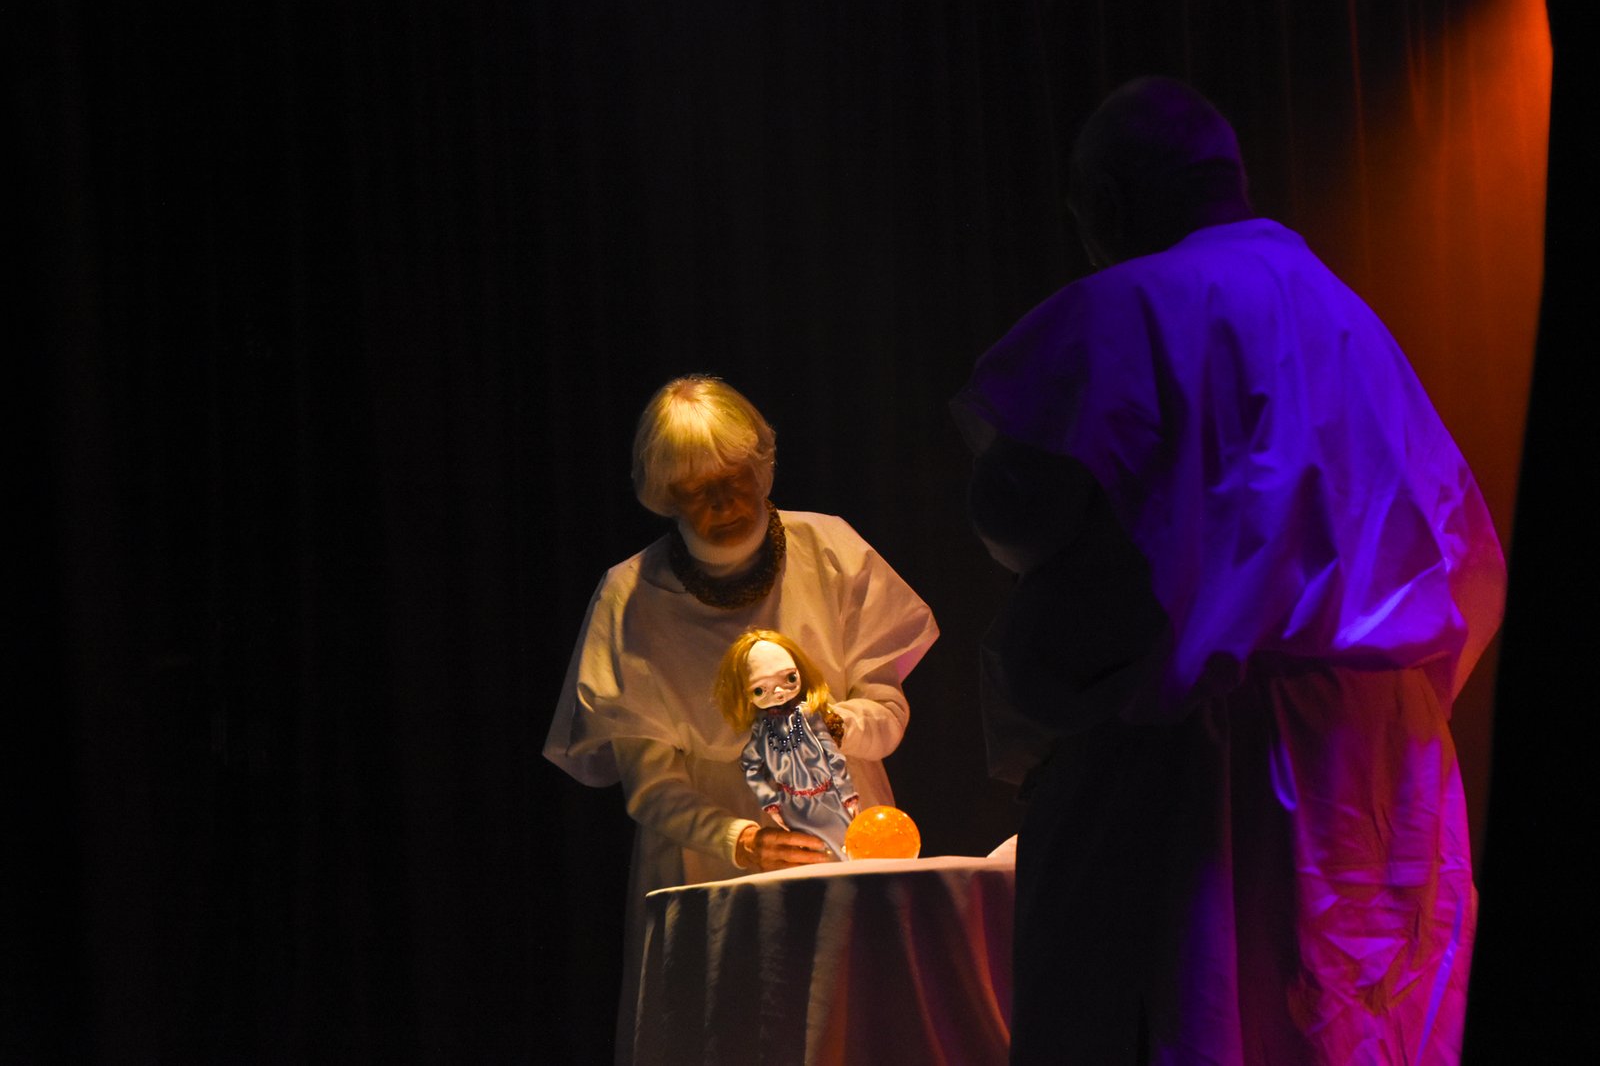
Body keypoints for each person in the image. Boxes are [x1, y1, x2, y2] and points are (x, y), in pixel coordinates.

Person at [952, 77, 1505, 1064]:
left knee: (1200, 1021)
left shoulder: (1129, 304)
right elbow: (1463, 548)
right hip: (1383, 764)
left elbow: (1015, 505)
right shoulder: (1346, 315)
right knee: (1361, 1026)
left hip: (1211, 767)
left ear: (1105, 203)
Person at [545, 375, 938, 1064]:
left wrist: (836, 725)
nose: (724, 503)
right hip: (707, 864)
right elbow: (650, 785)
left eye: (735, 479)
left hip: (846, 839)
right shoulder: (630, 598)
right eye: (698, 490)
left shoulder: (831, 550)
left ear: (763, 468)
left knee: (858, 1028)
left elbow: (887, 710)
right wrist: (741, 839)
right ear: (665, 495)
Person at [716, 628, 860, 860]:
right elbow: (751, 766)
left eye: (790, 678)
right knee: (810, 861)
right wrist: (770, 802)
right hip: (792, 807)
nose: (779, 692)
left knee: (850, 852)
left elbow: (832, 754)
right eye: (760, 690)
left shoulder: (808, 715)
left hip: (828, 799)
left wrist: (846, 793)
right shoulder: (762, 729)